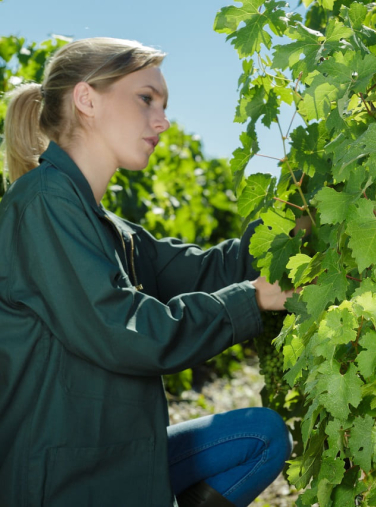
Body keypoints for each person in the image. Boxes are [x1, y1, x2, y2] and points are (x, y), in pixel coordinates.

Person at [0, 38, 292, 507]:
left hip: (115, 461)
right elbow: (126, 331)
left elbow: (207, 271)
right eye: (145, 99)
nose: (162, 120)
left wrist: (293, 216)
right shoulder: (42, 205)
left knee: (262, 437)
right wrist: (252, 298)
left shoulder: (104, 224)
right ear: (86, 99)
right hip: (64, 482)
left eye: (164, 105)